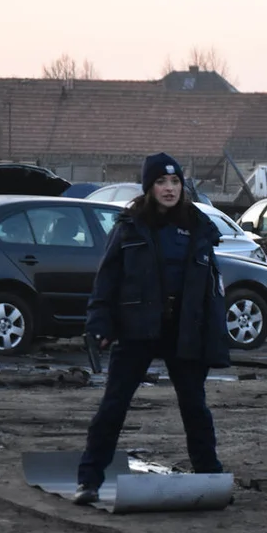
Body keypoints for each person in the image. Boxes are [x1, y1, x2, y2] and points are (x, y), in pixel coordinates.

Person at [73, 152, 230, 505]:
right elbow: (106, 281)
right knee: (113, 406)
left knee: (195, 408)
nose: (169, 188)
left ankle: (211, 478)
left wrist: (215, 334)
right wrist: (99, 323)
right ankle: (89, 481)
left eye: (175, 182)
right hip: (136, 329)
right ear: (149, 187)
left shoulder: (197, 227)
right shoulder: (129, 227)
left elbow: (211, 288)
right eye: (161, 182)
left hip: (184, 331)